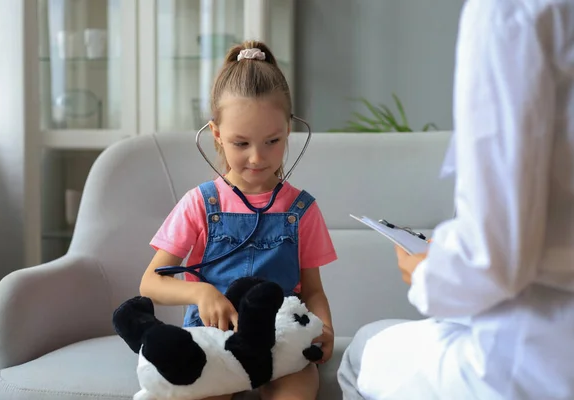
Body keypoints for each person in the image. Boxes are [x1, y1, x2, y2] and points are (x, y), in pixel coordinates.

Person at [338, 0, 574, 399]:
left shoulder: (508, 11)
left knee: (363, 349)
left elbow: (493, 261)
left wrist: (427, 272)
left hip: (535, 360)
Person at [139, 40, 338, 400]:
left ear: (289, 130)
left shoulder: (302, 210)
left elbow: (312, 290)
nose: (258, 158)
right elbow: (150, 282)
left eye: (272, 141)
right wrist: (201, 292)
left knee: (297, 389)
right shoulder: (199, 204)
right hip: (213, 341)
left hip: (283, 341)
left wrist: (324, 328)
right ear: (215, 133)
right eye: (241, 143)